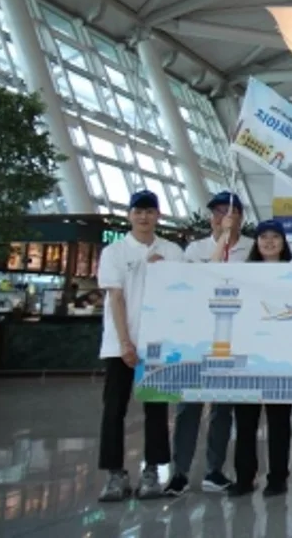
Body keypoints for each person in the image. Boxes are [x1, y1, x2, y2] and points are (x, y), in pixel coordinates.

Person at [97, 190, 185, 502]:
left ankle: (152, 471)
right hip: (119, 344)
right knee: (114, 409)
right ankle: (114, 473)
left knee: (157, 409)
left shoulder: (172, 251)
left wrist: (167, 273)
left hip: (158, 344)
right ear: (130, 215)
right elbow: (116, 298)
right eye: (138, 211)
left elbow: (183, 293)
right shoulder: (115, 252)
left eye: (149, 211)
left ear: (158, 215)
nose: (144, 217)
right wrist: (125, 342)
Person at [166, 191, 252, 497]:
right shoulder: (196, 249)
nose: (222, 217)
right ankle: (180, 471)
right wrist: (223, 239)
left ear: (241, 216)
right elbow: (195, 283)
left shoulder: (251, 248)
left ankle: (214, 470)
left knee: (222, 407)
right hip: (198, 336)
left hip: (235, 337)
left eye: (229, 212)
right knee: (188, 405)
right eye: (217, 212)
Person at [228, 220, 292, 497]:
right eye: (263, 237)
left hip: (282, 357)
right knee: (245, 421)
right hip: (248, 355)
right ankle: (244, 477)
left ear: (283, 241)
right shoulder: (243, 274)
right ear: (256, 243)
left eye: (275, 236)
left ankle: (278, 477)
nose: (269, 241)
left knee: (279, 421)